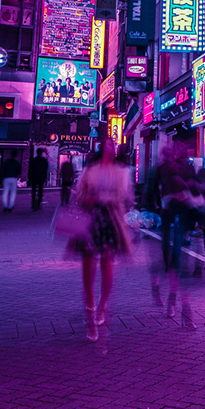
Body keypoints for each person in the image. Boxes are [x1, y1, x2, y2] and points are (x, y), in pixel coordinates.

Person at [66, 144, 132, 340]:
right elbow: (79, 193)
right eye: (108, 145)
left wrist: (105, 199)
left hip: (110, 218)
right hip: (91, 217)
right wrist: (89, 199)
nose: (110, 149)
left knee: (107, 262)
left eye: (113, 146)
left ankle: (102, 305)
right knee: (88, 264)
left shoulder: (120, 172)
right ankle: (90, 309)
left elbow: (124, 196)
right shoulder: (90, 171)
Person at [154, 142, 200, 326]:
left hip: (180, 223)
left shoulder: (184, 170)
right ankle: (174, 303)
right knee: (176, 265)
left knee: (179, 266)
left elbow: (194, 194)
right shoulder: (165, 172)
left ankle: (182, 310)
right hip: (171, 223)